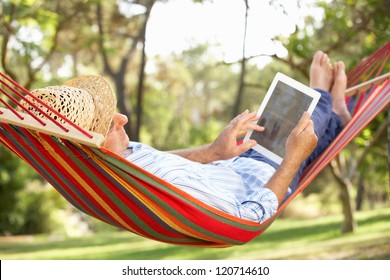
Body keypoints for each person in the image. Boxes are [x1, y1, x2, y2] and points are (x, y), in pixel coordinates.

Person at [25, 51, 351, 224]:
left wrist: (213, 151)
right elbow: (250, 216)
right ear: (91, 146)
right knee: (309, 116)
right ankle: (328, 101)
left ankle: (336, 113)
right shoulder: (137, 184)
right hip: (267, 178)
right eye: (110, 123)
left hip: (238, 162)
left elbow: (165, 163)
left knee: (294, 121)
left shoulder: (123, 160)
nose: (123, 119)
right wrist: (293, 158)